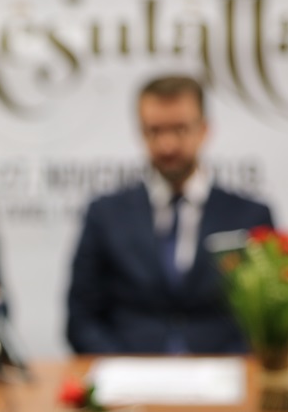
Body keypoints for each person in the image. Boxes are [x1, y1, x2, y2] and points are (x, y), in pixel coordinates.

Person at [67, 75, 275, 354]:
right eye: (155, 131)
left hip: (222, 370)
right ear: (140, 132)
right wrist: (123, 367)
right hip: (129, 370)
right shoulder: (105, 214)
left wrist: (229, 367)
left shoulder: (249, 215)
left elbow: (267, 319)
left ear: (204, 130)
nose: (167, 145)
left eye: (180, 129)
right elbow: (81, 319)